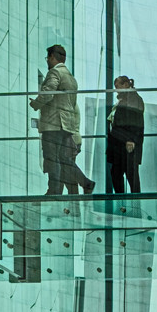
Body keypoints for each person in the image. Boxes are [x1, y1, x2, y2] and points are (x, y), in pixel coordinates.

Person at [30, 45, 96, 198]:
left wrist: (36, 104)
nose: (47, 61)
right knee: (63, 159)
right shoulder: (71, 78)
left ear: (52, 57)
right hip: (66, 125)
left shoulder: (55, 72)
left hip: (53, 123)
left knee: (51, 158)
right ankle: (86, 183)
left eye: (48, 58)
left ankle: (54, 191)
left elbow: (48, 93)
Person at [106, 76, 144, 194]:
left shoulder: (132, 99)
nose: (116, 90)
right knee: (119, 174)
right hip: (120, 143)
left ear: (126, 85)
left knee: (129, 175)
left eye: (118, 87)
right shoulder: (126, 99)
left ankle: (131, 202)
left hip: (125, 145)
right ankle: (125, 201)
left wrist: (130, 139)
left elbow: (135, 121)